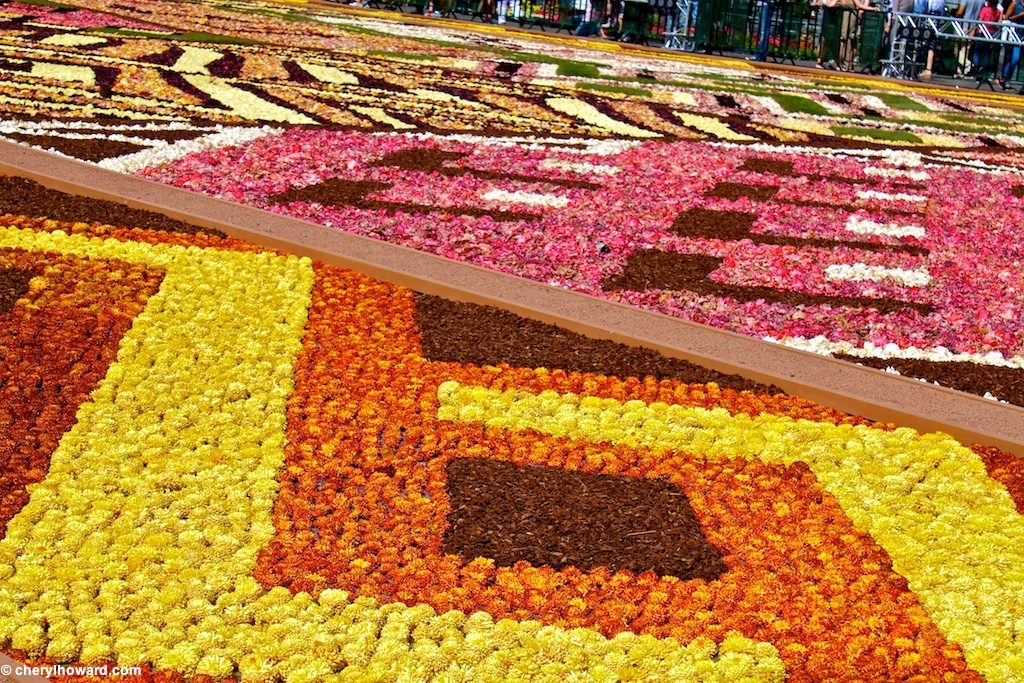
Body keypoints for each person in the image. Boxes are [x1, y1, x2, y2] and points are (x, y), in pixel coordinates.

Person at [816, 0, 881, 69]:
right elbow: (830, 4)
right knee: (843, 40)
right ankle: (838, 62)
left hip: (850, 19)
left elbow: (859, 5)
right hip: (845, 19)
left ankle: (845, 64)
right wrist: (871, 8)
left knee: (850, 41)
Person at [997, 0, 1024, 87]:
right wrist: (1018, 16)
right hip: (1013, 31)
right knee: (1009, 56)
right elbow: (1007, 17)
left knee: (1015, 58)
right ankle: (1005, 79)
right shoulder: (1016, 3)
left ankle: (1007, 78)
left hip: (1021, 34)